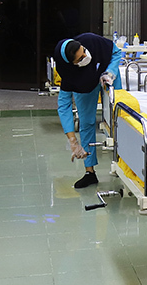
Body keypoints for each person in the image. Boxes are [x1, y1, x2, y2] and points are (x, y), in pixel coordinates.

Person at [52, 33, 123, 188]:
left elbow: (117, 52)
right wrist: (73, 141)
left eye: (84, 51)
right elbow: (64, 106)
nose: (86, 56)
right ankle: (90, 173)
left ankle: (124, 165)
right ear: (72, 64)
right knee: (86, 122)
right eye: (80, 58)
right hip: (84, 85)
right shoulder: (69, 75)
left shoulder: (91, 40)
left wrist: (110, 72)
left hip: (107, 74)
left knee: (120, 119)